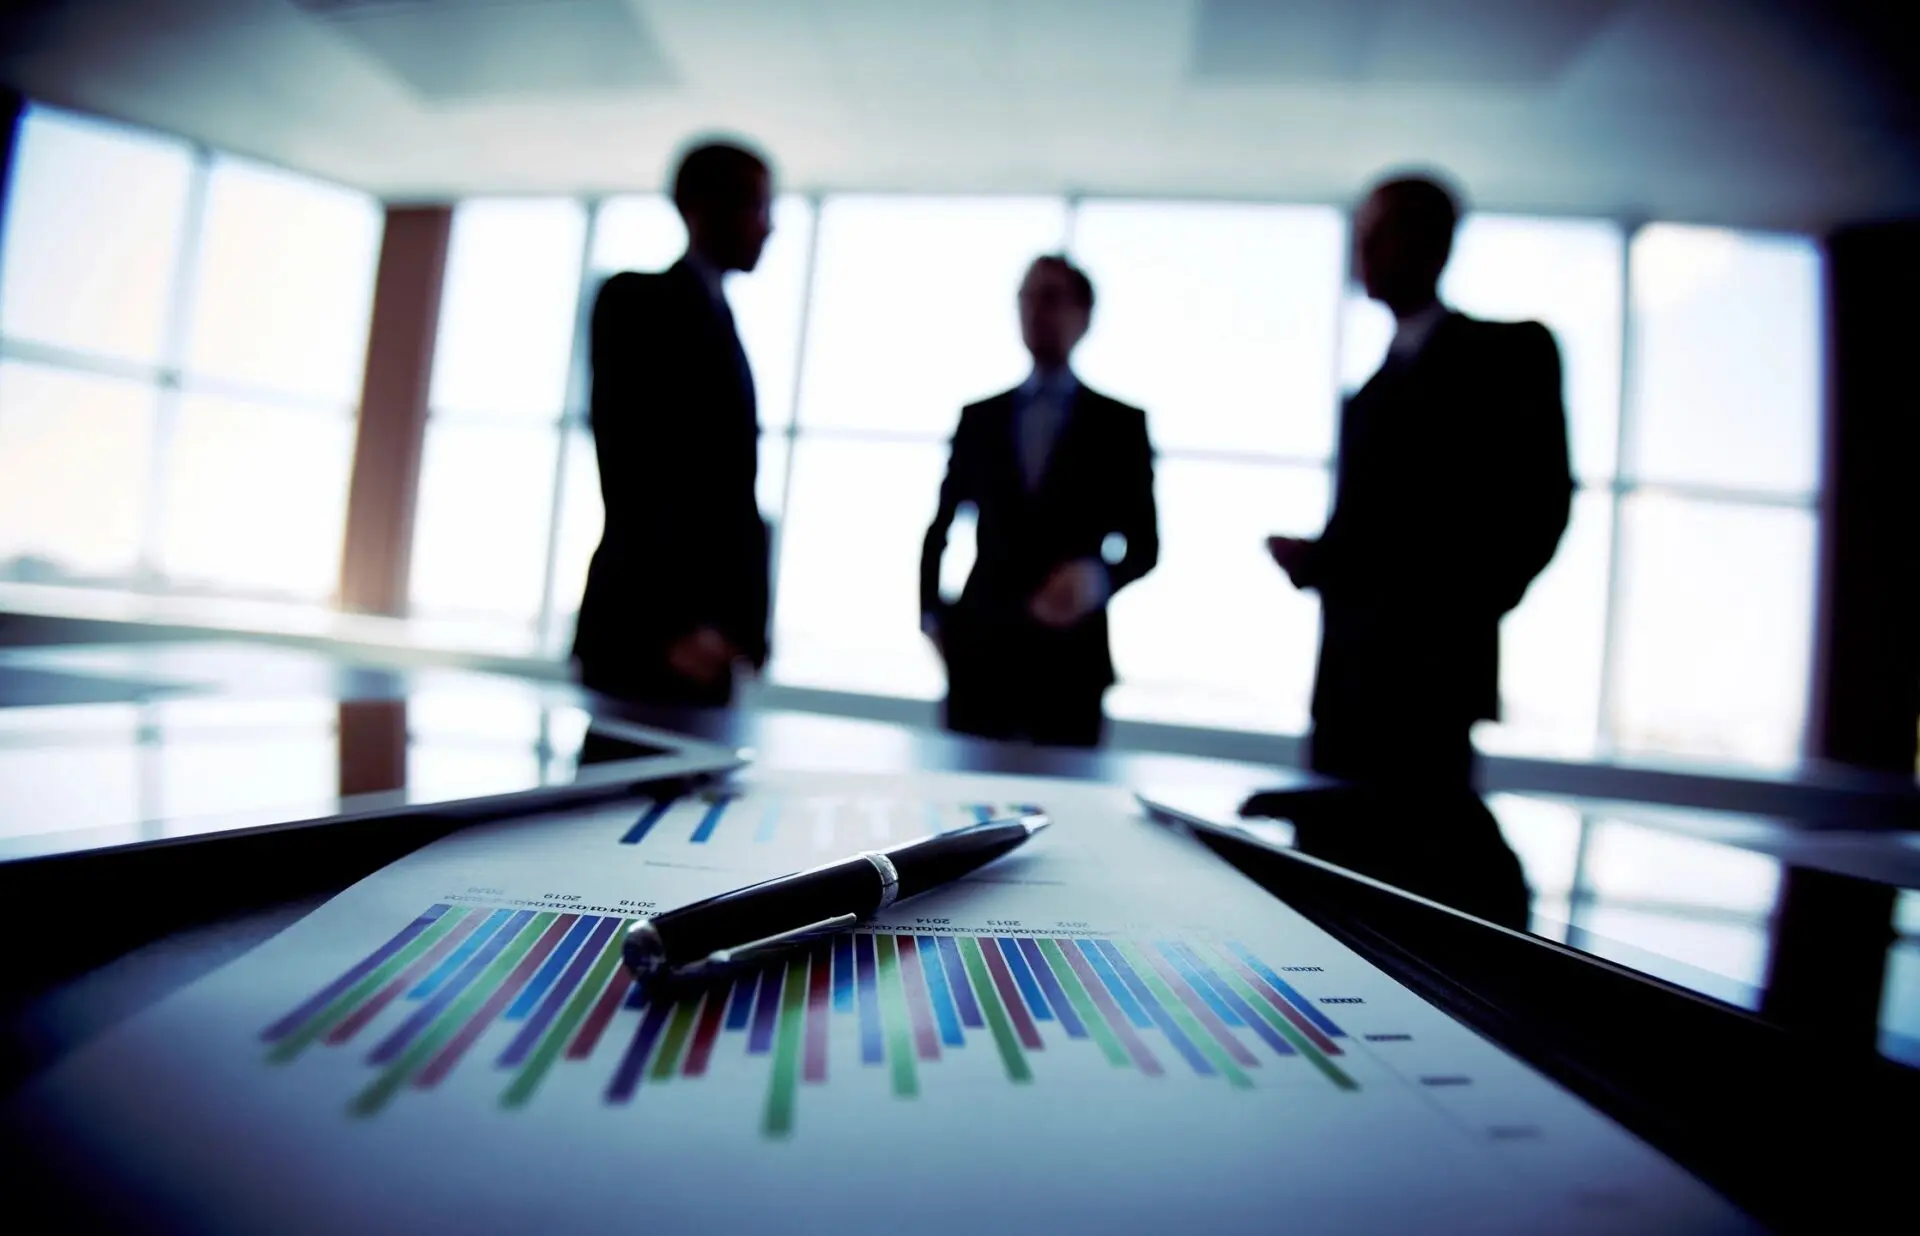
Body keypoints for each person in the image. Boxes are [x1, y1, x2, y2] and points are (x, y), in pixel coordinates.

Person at [1268, 172, 1572, 790]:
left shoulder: (1511, 356)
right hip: (1344, 690)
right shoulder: (1366, 397)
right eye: (1361, 234)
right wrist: (1317, 561)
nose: (1365, 250)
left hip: (1433, 688)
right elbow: (1371, 538)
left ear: (1434, 244)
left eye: (1380, 232)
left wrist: (1451, 616)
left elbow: (1539, 507)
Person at [919, 255, 1159, 748]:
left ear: (1084, 315)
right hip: (981, 651)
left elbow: (1146, 544)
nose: (1034, 311)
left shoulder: (1120, 426)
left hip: (1071, 660)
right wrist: (932, 616)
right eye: (1025, 297)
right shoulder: (979, 418)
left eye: (1049, 297)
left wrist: (1095, 579)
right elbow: (939, 527)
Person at [572, 139, 773, 710]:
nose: (769, 226)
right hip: (648, 633)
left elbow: (734, 493)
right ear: (702, 208)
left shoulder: (723, 318)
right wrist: (674, 627)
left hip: (711, 643)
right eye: (757, 206)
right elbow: (630, 464)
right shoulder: (634, 301)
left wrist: (743, 631)